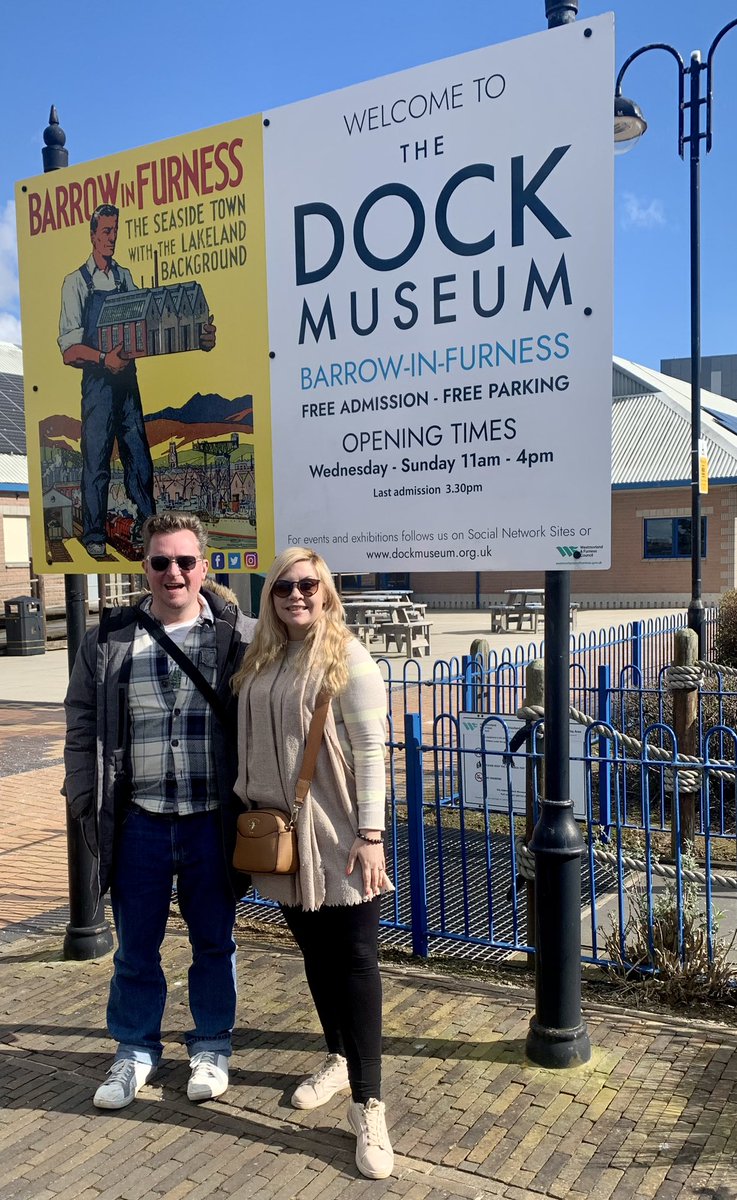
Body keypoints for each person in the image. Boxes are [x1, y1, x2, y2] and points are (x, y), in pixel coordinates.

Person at [63, 512, 255, 1110]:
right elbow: (81, 724)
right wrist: (82, 798)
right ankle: (135, 1050)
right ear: (143, 566)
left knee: (213, 944)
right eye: (160, 561)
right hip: (139, 819)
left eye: (185, 561)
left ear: (205, 565)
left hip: (209, 819)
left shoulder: (238, 638)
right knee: (135, 948)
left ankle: (211, 1044)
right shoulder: (111, 639)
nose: (173, 572)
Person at [233, 547, 394, 1180]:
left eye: (309, 585)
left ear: (326, 592)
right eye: (283, 587)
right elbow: (211, 604)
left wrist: (372, 835)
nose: (297, 595)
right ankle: (336, 1057)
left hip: (339, 835)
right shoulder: (263, 655)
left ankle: (369, 1104)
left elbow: (374, 752)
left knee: (355, 963)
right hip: (281, 837)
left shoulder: (348, 658)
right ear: (269, 596)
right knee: (315, 954)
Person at [57, 204, 216, 559]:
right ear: (93, 234)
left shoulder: (125, 278)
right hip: (98, 385)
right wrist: (102, 359)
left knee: (139, 457)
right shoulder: (76, 283)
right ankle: (96, 534)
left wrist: (196, 337)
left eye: (115, 231)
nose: (111, 238)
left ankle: (149, 527)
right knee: (96, 459)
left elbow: (149, 326)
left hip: (127, 382)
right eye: (105, 232)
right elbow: (68, 350)